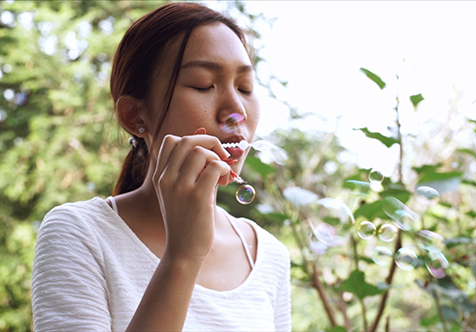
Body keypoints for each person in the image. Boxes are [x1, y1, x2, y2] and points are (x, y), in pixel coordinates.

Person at [31, 3, 291, 331]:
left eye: (245, 88)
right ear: (135, 116)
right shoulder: (79, 232)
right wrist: (182, 256)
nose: (235, 109)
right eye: (202, 84)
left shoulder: (267, 255)